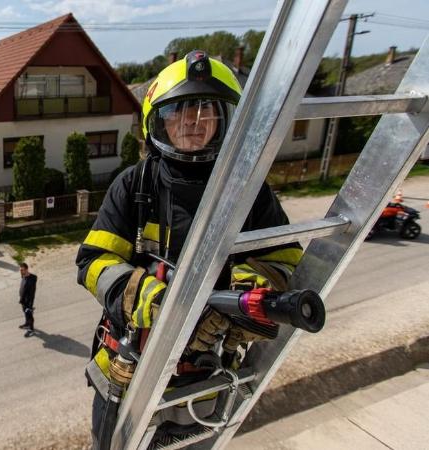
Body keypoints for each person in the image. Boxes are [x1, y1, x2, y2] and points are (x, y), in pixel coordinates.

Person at [76, 51, 304, 445]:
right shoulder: (134, 186)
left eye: (205, 110)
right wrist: (143, 296)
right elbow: (93, 261)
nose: (193, 122)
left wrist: (246, 291)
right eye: (179, 111)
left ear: (225, 120)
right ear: (158, 122)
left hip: (206, 377)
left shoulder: (249, 193)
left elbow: (284, 259)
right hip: (129, 371)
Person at [18, 263, 37, 338]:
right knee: (25, 313)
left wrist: (30, 306)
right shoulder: (23, 275)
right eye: (20, 270)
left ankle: (31, 329)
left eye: (22, 270)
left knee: (29, 315)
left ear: (26, 269)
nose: (21, 271)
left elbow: (32, 294)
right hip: (23, 300)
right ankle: (26, 324)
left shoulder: (32, 279)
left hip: (28, 302)